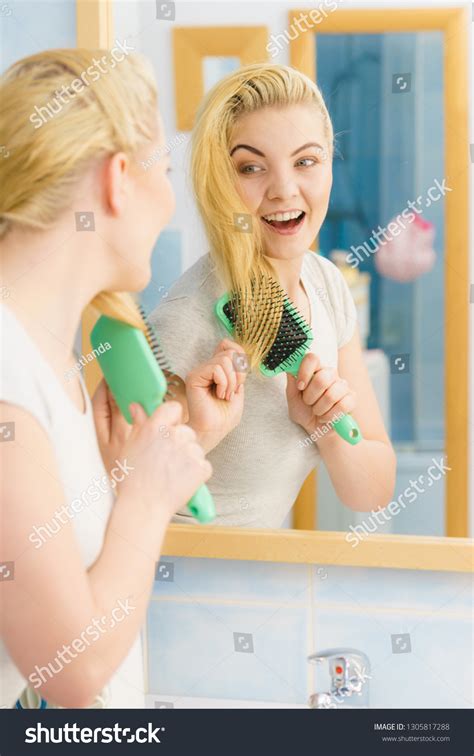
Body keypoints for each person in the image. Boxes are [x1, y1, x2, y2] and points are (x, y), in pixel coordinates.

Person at [0, 48, 229, 709]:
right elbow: (70, 671)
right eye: (164, 171)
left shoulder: (46, 359)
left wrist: (126, 475)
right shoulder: (9, 377)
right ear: (119, 180)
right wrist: (147, 499)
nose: (168, 205)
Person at [151, 63, 397, 528]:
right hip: (181, 584)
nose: (284, 189)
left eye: (306, 161)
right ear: (218, 182)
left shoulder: (326, 286)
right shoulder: (187, 321)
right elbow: (118, 503)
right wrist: (201, 432)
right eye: (251, 167)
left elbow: (372, 492)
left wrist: (324, 426)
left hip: (263, 578)